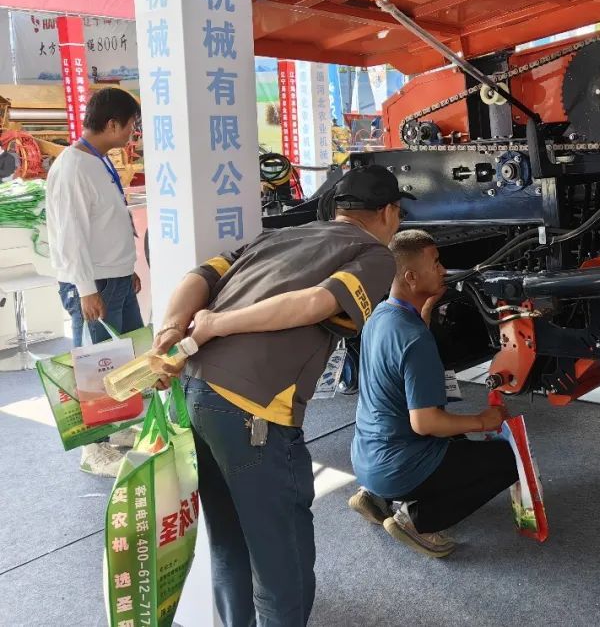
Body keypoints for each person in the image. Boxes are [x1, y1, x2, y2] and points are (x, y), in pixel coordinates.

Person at [150, 165, 409, 627]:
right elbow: (315, 303)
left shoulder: (277, 236)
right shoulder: (373, 253)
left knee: (229, 540)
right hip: (251, 410)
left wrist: (171, 329)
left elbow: (199, 275)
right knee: (280, 560)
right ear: (389, 212)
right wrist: (215, 324)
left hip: (193, 389)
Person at [348, 229, 518, 559]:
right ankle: (416, 520)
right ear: (411, 277)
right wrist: (484, 420)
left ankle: (374, 497)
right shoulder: (414, 339)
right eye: (436, 263)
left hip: (366, 460)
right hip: (398, 466)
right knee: (508, 459)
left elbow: (401, 357)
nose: (443, 270)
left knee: (457, 441)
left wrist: (424, 312)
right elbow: (425, 423)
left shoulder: (381, 316)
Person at [45, 87, 143, 475]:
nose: (133, 133)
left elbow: (107, 222)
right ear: (112, 124)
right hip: (94, 284)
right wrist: (86, 289)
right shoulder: (72, 167)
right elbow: (70, 236)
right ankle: (93, 447)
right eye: (131, 125)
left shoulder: (97, 160)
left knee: (124, 361)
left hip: (114, 277)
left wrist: (127, 267)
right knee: (94, 365)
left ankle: (117, 426)